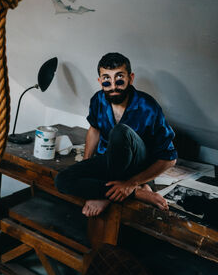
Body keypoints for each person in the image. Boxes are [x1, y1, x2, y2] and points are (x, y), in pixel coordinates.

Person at [55, 53, 177, 217]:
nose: (113, 86)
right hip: (108, 160)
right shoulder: (98, 99)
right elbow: (95, 129)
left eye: (119, 79)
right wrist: (86, 164)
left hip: (137, 166)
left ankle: (112, 195)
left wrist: (131, 183)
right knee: (62, 180)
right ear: (100, 81)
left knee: (120, 131)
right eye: (106, 80)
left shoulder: (148, 106)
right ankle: (137, 193)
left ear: (130, 78)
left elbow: (169, 159)